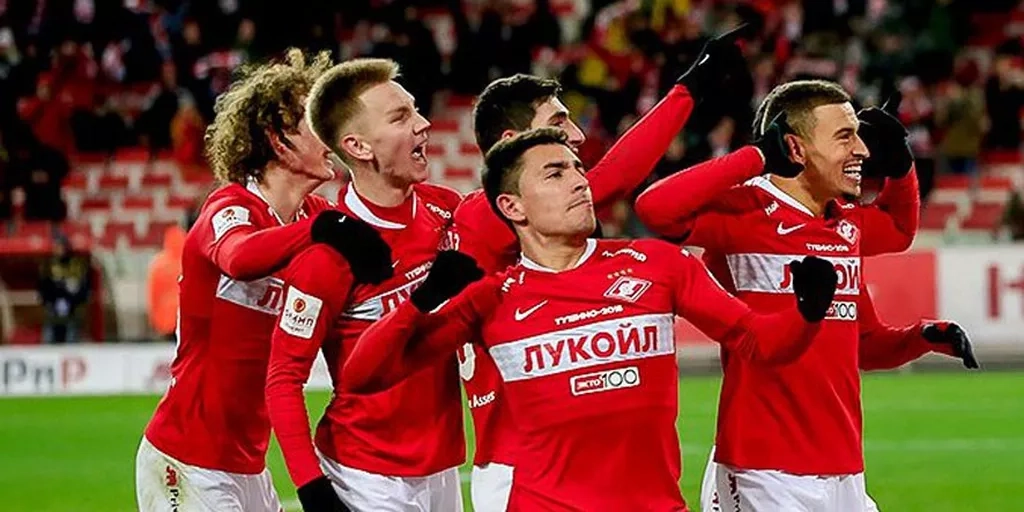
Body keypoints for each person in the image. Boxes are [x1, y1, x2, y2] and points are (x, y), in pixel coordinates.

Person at [340, 128, 843, 511]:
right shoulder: (492, 298)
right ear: (512, 206)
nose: (580, 182)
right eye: (555, 174)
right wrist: (420, 301)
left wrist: (806, 311)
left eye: (578, 169)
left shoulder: (659, 264)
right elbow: (365, 376)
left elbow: (761, 342)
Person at [633, 80, 979, 512]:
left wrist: (922, 337)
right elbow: (655, 209)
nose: (862, 150)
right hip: (762, 470)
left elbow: (866, 339)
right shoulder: (745, 213)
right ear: (794, 148)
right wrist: (756, 156)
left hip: (845, 469)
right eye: (845, 136)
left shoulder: (844, 225)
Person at [450, 28, 748, 511]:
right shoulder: (481, 215)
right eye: (558, 122)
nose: (577, 135)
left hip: (566, 462)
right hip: (521, 468)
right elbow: (614, 178)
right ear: (512, 141)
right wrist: (688, 89)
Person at [136, 49, 391, 512]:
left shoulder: (316, 216)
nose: (329, 133)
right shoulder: (230, 207)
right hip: (186, 460)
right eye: (314, 122)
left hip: (250, 467)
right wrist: (320, 231)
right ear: (278, 140)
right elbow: (239, 257)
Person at [264, 58, 464, 512]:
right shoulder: (328, 257)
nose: (423, 124)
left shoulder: (445, 210)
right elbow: (283, 377)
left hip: (442, 468)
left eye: (415, 110)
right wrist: (312, 488)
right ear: (358, 146)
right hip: (366, 479)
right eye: (401, 117)